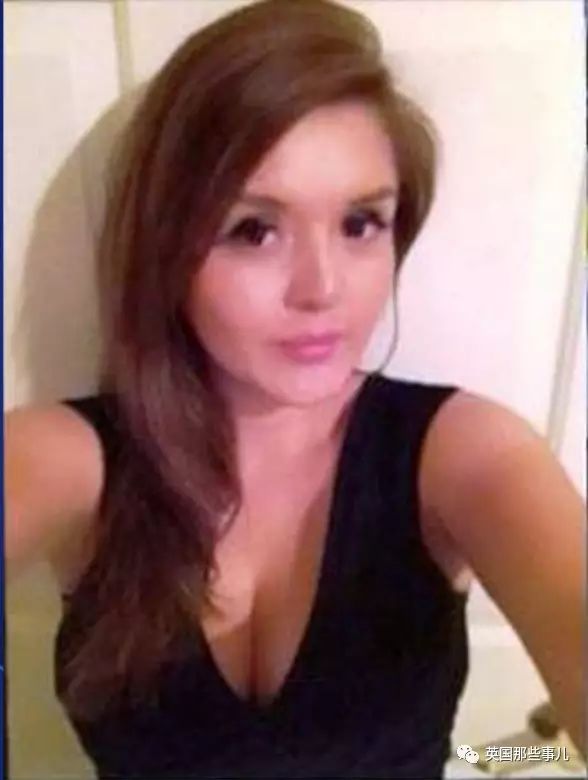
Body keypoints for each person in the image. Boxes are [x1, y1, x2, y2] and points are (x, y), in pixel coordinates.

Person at [5, 0, 585, 777]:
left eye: (361, 223)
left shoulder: (463, 453)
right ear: (167, 246)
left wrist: (503, 756)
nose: (324, 288)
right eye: (253, 229)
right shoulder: (68, 460)